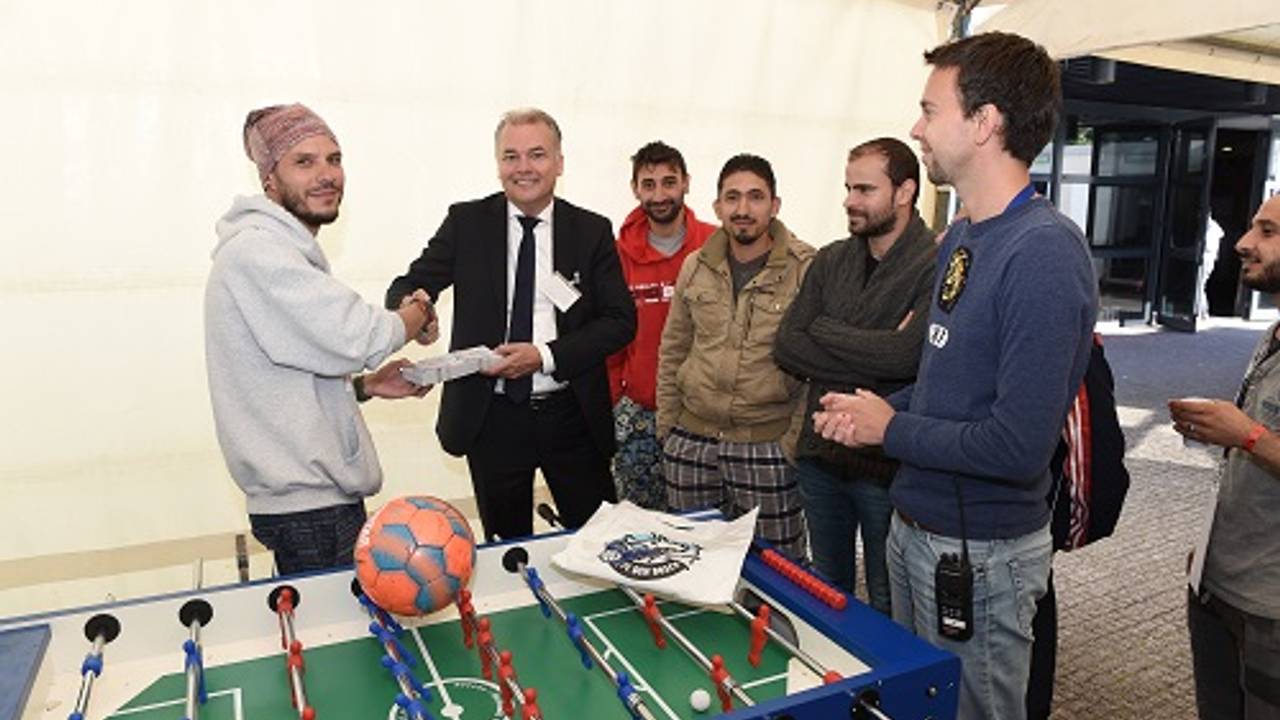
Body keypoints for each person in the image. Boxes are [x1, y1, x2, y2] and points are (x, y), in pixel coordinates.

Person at [813, 32, 1098, 720]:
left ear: (984, 122)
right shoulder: (964, 237)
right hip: (916, 530)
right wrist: (873, 411)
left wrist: (891, 428)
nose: (916, 129)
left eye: (929, 110)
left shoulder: (1044, 254)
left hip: (980, 558)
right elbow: (949, 386)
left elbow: (1016, 445)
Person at [205, 103, 437, 576]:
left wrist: (365, 387)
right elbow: (361, 334)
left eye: (334, 159)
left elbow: (288, 373)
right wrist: (417, 311)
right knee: (341, 625)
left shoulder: (276, 250)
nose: (326, 174)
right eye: (304, 162)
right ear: (269, 179)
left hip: (315, 508)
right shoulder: (258, 252)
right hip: (310, 513)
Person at [385, 108, 635, 542]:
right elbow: (408, 285)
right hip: (491, 417)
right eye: (511, 156)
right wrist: (415, 309)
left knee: (598, 543)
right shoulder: (466, 223)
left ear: (559, 162)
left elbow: (620, 321)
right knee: (506, 551)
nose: (524, 168)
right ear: (497, 164)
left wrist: (545, 356)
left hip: (571, 415)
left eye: (537, 155)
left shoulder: (590, 230)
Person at [773, 138, 936, 615]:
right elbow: (787, 345)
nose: (849, 200)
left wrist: (823, 328)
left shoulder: (935, 263)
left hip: (887, 465)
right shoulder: (830, 259)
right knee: (828, 592)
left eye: (864, 190)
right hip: (821, 455)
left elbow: (908, 358)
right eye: (848, 188)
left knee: (890, 600)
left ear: (904, 192)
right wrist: (877, 348)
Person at [657, 154, 815, 561]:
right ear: (717, 207)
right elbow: (674, 347)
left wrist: (791, 444)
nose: (743, 209)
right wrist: (669, 428)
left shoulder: (806, 269)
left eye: (755, 197)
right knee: (691, 564)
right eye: (732, 197)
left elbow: (818, 367)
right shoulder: (695, 266)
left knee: (779, 572)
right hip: (692, 443)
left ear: (775, 205)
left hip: (766, 447)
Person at [1171, 193, 1280, 720]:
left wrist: (1248, 435)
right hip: (1219, 586)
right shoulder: (1272, 332)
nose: (1242, 242)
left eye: (1267, 232)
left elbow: (1256, 439)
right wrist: (1210, 545)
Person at [608, 141, 716, 510]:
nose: (659, 195)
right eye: (648, 184)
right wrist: (616, 397)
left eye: (669, 182)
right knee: (640, 525)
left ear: (686, 182)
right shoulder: (616, 254)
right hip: (639, 413)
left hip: (702, 413)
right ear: (634, 188)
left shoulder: (717, 244)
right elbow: (608, 335)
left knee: (702, 522)